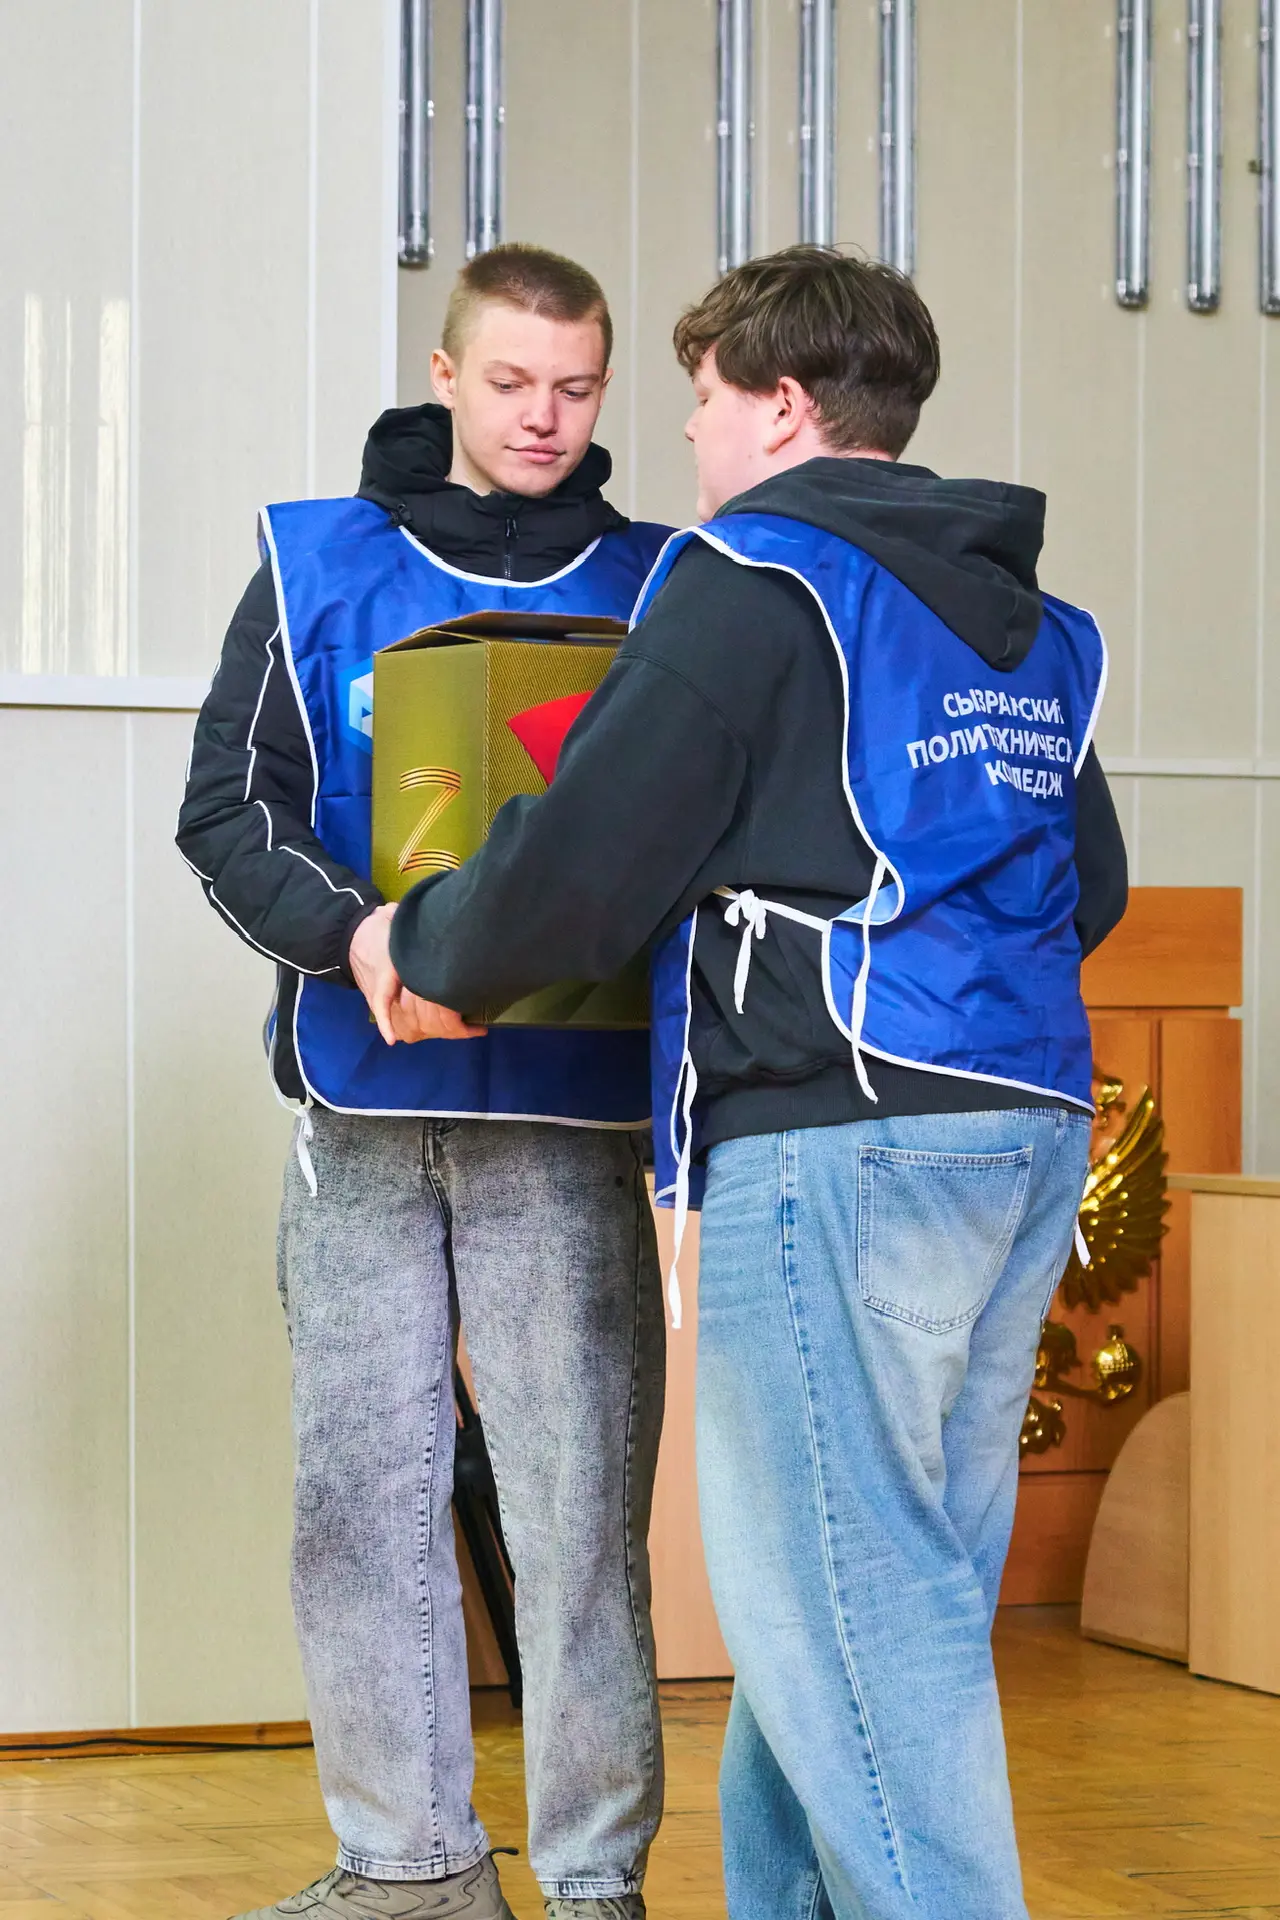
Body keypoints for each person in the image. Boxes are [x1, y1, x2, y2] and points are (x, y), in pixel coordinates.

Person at [364, 246, 1129, 1920]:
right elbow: (1097, 887)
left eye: (703, 402)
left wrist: (424, 944)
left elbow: (588, 860)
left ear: (782, 408)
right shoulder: (1029, 621)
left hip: (840, 1136)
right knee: (868, 1593)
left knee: (846, 1610)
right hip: (1025, 1132)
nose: (691, 437)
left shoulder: (753, 576)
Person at [176, 244, 669, 1920]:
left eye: (577, 389)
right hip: (363, 1108)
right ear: (446, 374)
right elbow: (226, 811)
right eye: (512, 382)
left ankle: (594, 1881)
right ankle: (409, 1868)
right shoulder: (311, 559)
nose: (544, 418)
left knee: (579, 1511)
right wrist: (360, 936)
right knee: (358, 1500)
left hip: (570, 1118)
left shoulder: (666, 584)